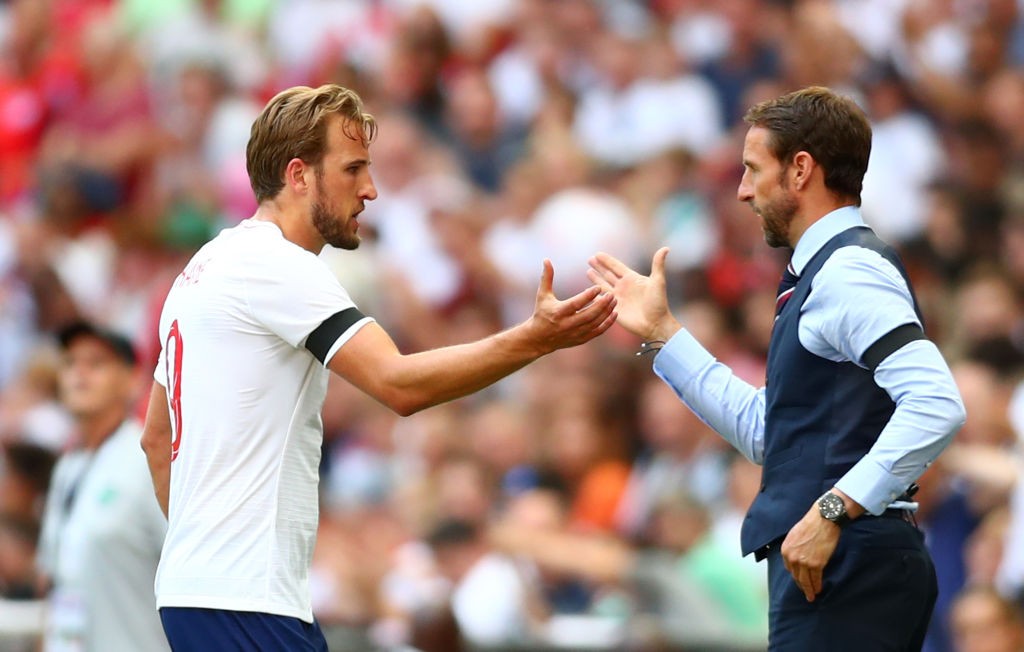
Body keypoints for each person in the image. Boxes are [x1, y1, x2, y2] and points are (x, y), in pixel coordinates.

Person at [139, 84, 617, 652]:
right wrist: (534, 341)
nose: (369, 190)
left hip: (198, 592)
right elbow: (398, 383)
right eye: (353, 169)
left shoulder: (204, 266)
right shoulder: (277, 265)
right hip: (247, 600)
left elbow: (155, 438)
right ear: (298, 175)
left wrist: (204, 554)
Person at [587, 86, 966, 650]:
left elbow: (937, 402)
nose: (742, 191)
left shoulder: (847, 271)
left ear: (801, 170)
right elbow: (775, 436)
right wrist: (666, 336)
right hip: (839, 563)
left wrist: (834, 509)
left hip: (846, 562)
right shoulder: (823, 275)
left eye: (751, 169)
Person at [37, 321, 169, 651]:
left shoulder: (147, 459)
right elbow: (57, 580)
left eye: (96, 363)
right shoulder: (68, 467)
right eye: (69, 363)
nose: (79, 374)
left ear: (132, 380)